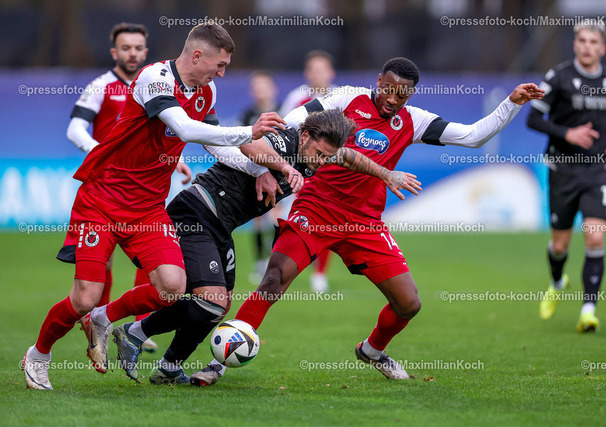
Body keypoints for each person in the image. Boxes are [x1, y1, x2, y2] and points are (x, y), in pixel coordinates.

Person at [205, 57, 544, 382]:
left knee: (408, 303)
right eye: (388, 89)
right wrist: (268, 164)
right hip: (316, 208)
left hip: (364, 222)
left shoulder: (414, 121)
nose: (393, 99)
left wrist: (511, 103)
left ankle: (372, 350)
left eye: (402, 94)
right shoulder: (345, 99)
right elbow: (293, 122)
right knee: (274, 279)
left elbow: (473, 136)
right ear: (379, 81)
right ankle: (220, 360)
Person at [22, 23, 287, 390]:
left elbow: (215, 145)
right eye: (220, 64)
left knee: (173, 286)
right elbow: (185, 129)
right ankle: (38, 355)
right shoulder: (155, 78)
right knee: (84, 297)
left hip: (148, 209)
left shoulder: (206, 91)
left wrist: (259, 169)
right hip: (102, 200)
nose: (222, 74)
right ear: (198, 55)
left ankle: (104, 318)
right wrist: (248, 131)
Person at [110, 108, 421, 385]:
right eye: (320, 154)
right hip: (197, 212)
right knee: (208, 300)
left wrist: (386, 174)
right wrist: (275, 169)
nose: (322, 162)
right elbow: (244, 143)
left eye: (328, 157)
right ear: (305, 136)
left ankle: (168, 367)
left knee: (218, 306)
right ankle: (130, 330)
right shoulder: (284, 142)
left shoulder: (318, 152)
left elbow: (351, 157)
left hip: (220, 226)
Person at [66, 22, 189, 354]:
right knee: (101, 266)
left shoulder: (157, 85)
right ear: (114, 52)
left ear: (145, 51)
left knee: (153, 259)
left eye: (137, 48)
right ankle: (95, 327)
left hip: (145, 187)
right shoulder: (101, 86)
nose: (132, 53)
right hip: (106, 187)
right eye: (125, 48)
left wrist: (174, 159)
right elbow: (75, 129)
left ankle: (139, 325)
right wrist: (100, 152)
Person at [527, 22, 606, 332]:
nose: (587, 46)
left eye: (593, 42)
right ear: (575, 44)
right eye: (582, 40)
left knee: (595, 237)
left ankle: (588, 309)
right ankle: (557, 281)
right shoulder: (558, 77)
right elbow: (533, 118)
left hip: (598, 171)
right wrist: (567, 133)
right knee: (560, 246)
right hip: (563, 171)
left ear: (602, 48)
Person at [280, 50, 337, 293]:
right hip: (300, 171)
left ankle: (319, 274)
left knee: (327, 223)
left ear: (331, 73)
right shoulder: (297, 99)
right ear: (307, 74)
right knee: (295, 221)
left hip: (330, 173)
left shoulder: (341, 98)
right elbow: (283, 129)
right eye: (314, 70)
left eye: (322, 69)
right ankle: (282, 268)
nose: (318, 74)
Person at [239, 71, 282, 284]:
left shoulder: (283, 111)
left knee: (276, 217)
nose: (260, 91)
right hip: (254, 171)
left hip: (278, 170)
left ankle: (275, 264)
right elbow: (240, 142)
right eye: (256, 87)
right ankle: (259, 263)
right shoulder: (247, 115)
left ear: (273, 89)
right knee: (257, 219)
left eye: (263, 86)